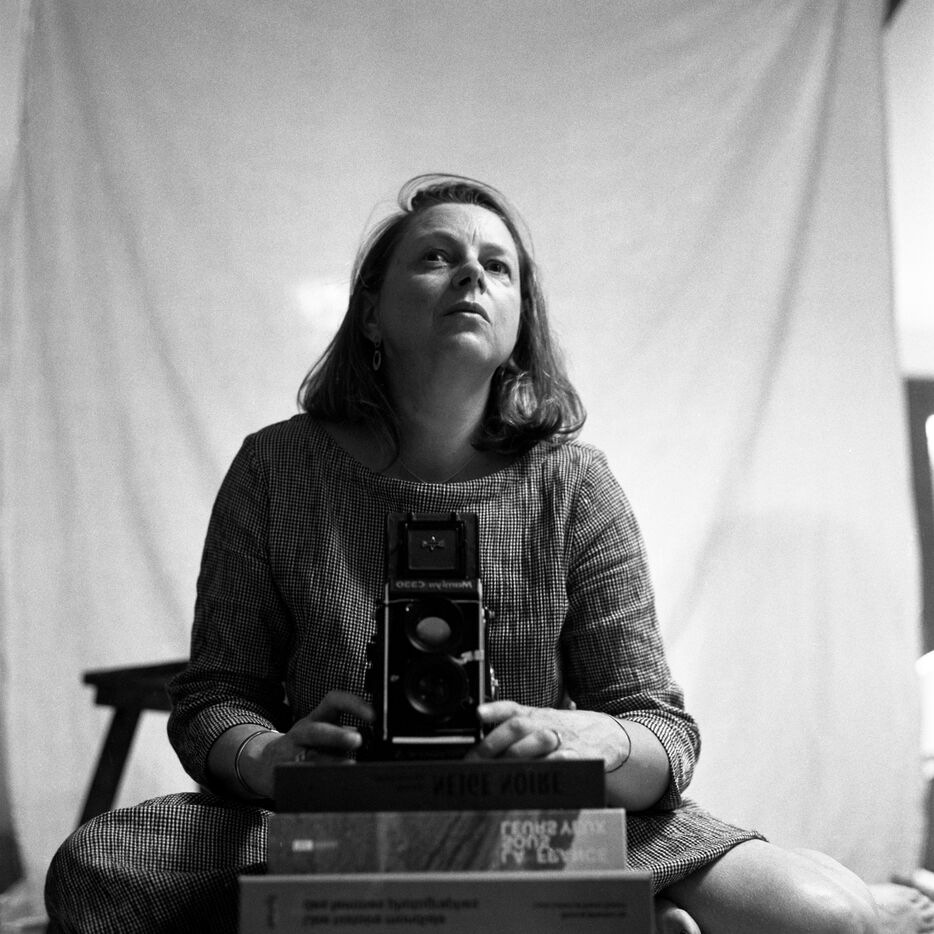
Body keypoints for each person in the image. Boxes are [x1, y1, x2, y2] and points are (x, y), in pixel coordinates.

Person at [46, 174, 933, 934]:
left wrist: (583, 737)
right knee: (100, 872)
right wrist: (271, 758)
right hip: (332, 818)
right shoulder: (277, 469)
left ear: (519, 322)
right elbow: (214, 697)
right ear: (370, 313)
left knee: (828, 914)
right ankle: (584, 917)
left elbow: (663, 732)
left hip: (538, 821)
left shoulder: (573, 484)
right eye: (436, 256)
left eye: (497, 266)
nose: (471, 272)